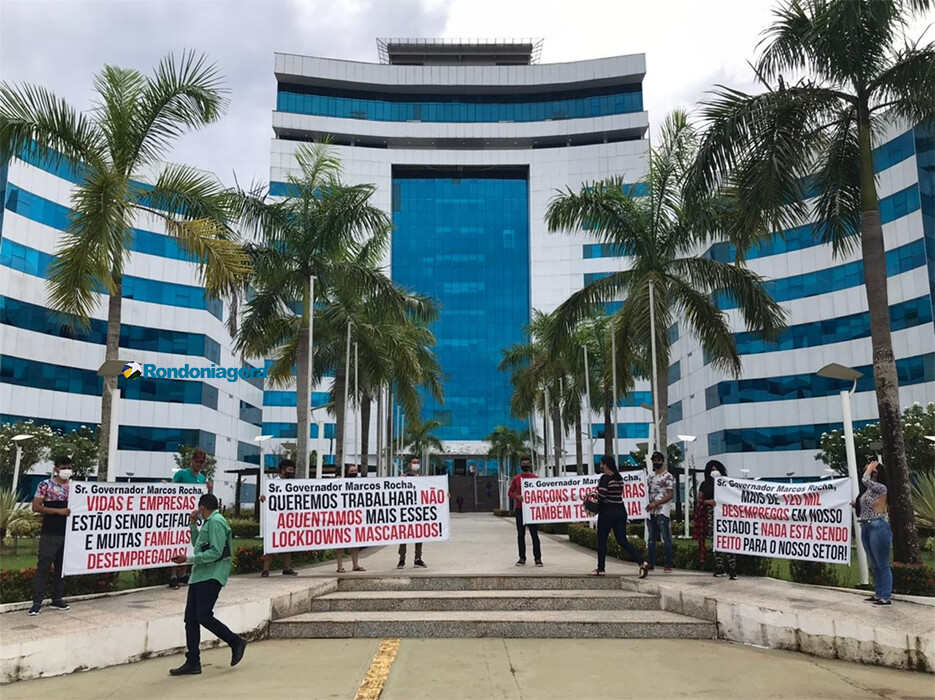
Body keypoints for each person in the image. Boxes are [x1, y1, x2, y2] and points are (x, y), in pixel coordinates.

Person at [169, 493, 246, 676]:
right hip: (200, 575)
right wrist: (193, 525)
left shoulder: (216, 522)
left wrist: (188, 559)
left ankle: (235, 641)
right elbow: (199, 545)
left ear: (202, 507)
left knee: (203, 616)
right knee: (191, 618)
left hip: (211, 575)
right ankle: (193, 661)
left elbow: (216, 552)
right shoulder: (208, 522)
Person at [587, 456, 649, 577]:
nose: (600, 466)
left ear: (605, 465)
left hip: (607, 512)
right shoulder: (619, 478)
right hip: (620, 511)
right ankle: (641, 562)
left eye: (601, 464)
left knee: (602, 540)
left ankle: (601, 568)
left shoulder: (605, 478)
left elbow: (602, 496)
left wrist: (593, 497)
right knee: (622, 540)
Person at [28, 456, 73, 615]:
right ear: (56, 469)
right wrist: (58, 511)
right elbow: (36, 506)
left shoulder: (75, 487)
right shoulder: (45, 485)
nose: (67, 470)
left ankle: (57, 599)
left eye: (69, 467)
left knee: (61, 568)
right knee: (44, 567)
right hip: (50, 533)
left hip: (69, 534)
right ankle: (37, 602)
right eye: (63, 467)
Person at [169, 447, 214, 589]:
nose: (199, 464)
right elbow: (171, 489)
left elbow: (205, 498)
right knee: (176, 542)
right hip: (178, 514)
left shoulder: (202, 478)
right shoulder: (182, 474)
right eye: (197, 461)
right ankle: (173, 575)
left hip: (194, 516)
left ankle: (183, 574)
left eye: (201, 462)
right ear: (192, 460)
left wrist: (209, 489)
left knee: (190, 542)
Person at [857, 460, 892, 606]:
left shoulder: (881, 488)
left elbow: (865, 480)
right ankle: (878, 593)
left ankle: (886, 596)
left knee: (882, 564)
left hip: (877, 525)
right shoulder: (869, 490)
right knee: (875, 563)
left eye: (872, 472)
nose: (869, 474)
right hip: (866, 525)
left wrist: (870, 468)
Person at [259, 459, 298, 577]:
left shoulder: (295, 484)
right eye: (289, 469)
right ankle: (266, 569)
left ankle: (287, 568)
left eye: (293, 470)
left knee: (288, 543)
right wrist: (263, 498)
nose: (292, 472)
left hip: (289, 518)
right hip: (275, 519)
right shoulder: (273, 483)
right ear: (282, 470)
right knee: (272, 543)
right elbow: (265, 497)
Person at [698, 460, 736, 580]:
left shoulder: (727, 483)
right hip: (711, 516)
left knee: (728, 541)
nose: (714, 472)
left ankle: (732, 568)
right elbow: (700, 500)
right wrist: (708, 502)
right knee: (715, 542)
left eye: (716, 469)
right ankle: (720, 567)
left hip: (726, 517)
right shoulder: (704, 485)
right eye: (712, 470)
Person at [508, 455, 542, 567]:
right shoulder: (517, 478)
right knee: (521, 534)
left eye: (527, 464)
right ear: (520, 465)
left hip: (532, 510)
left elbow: (541, 493)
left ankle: (538, 558)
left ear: (530, 464)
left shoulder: (535, 478)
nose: (525, 466)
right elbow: (510, 493)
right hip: (520, 509)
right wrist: (516, 497)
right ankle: (522, 558)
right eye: (523, 464)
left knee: (534, 534)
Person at [646, 451, 675, 573]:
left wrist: (656, 503)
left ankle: (668, 564)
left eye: (658, 460)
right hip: (650, 511)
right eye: (654, 460)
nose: (656, 462)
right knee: (651, 539)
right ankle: (651, 563)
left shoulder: (668, 476)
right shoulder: (650, 476)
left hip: (662, 511)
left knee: (666, 539)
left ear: (662, 461)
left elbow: (670, 495)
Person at [398, 457, 427, 569]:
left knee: (419, 535)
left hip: (418, 511)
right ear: (410, 465)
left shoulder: (424, 478)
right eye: (414, 462)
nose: (416, 464)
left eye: (418, 463)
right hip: (406, 510)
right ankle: (401, 559)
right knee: (403, 535)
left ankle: (418, 558)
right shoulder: (404, 477)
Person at [335, 464, 364, 573]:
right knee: (340, 542)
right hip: (341, 517)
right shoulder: (339, 483)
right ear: (346, 472)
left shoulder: (359, 483)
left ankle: (355, 565)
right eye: (352, 471)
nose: (354, 473)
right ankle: (340, 566)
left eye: (355, 471)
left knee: (355, 542)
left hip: (355, 517)